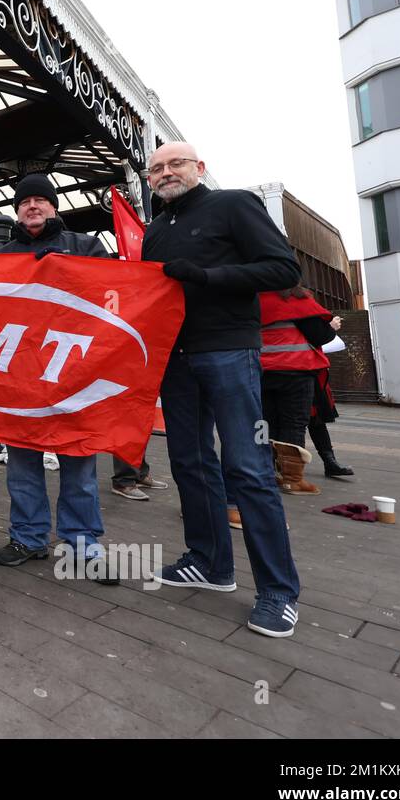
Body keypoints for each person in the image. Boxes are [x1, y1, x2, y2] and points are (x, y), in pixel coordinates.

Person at [141, 142, 303, 638]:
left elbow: (284, 270)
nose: (166, 173)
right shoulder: (154, 232)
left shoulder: (234, 204)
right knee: (190, 461)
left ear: (198, 168)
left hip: (229, 351)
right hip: (177, 358)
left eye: (175, 164)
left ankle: (278, 592)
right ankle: (210, 562)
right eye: (156, 169)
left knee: (247, 466)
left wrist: (209, 276)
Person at [0, 174, 118, 583]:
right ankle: (28, 537)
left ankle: (82, 541)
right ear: (17, 210)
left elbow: (114, 292)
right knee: (22, 463)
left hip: (74, 378)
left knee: (78, 463)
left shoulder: (86, 247)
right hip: (20, 380)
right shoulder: (2, 255)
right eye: (25, 201)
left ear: (53, 206)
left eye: (40, 200)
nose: (33, 206)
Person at [259, 286, 336, 495]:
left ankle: (265, 472)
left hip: (261, 371)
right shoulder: (296, 299)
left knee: (265, 423)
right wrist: (333, 326)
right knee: (293, 423)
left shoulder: (252, 297)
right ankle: (292, 479)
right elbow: (321, 335)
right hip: (296, 370)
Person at [309, 315, 354, 478]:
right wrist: (329, 329)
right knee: (294, 423)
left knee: (316, 420)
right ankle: (288, 468)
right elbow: (311, 336)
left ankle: (330, 462)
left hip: (312, 370)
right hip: (298, 370)